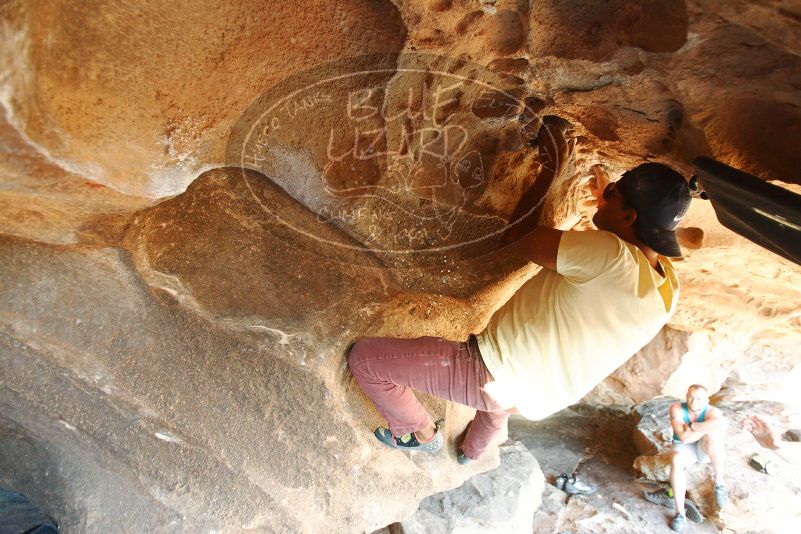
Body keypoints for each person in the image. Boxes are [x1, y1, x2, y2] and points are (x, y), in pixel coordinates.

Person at [348, 120, 692, 466]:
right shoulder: (667, 285)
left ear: (630, 216)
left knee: (365, 360)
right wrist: (610, 201)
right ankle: (472, 453)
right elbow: (616, 261)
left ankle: (417, 433)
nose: (603, 199)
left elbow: (519, 238)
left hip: (488, 372)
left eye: (612, 196)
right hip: (540, 395)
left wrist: (552, 166)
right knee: (497, 408)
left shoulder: (610, 255)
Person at [657, 385, 728, 532]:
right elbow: (682, 437)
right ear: (686, 395)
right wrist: (705, 427)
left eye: (699, 399)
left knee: (712, 438)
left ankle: (719, 484)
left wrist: (692, 426)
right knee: (676, 459)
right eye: (691, 397)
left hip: (704, 449)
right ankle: (679, 513)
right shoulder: (676, 408)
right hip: (684, 447)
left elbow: (718, 424)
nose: (694, 401)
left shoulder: (713, 411)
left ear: (707, 400)